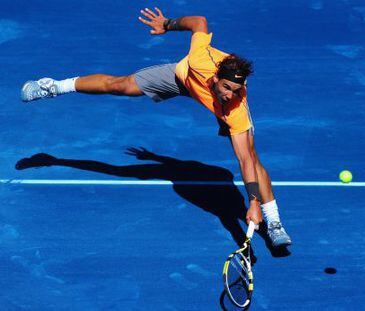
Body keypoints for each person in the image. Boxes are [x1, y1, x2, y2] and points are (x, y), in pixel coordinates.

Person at [20, 8, 291, 247]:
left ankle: (274, 220)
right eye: (227, 88)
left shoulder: (234, 107)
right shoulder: (199, 61)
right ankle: (54, 86)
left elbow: (244, 160)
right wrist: (168, 24)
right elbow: (198, 21)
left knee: (253, 156)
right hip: (183, 79)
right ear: (216, 78)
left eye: (237, 90)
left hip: (215, 108)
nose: (231, 94)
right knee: (121, 86)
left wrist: (253, 202)